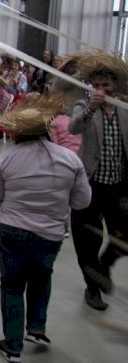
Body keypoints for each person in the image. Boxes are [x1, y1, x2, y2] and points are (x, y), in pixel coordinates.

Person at [0, 94, 91, 363]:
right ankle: (37, 329)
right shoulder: (70, 159)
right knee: (42, 277)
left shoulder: (6, 160)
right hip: (51, 234)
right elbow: (82, 201)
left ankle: (12, 345)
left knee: (11, 285)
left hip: (13, 230)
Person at [68, 52, 128, 311]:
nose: (101, 90)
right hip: (90, 186)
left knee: (124, 237)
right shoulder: (84, 107)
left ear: (116, 86)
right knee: (87, 241)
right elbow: (73, 129)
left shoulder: (125, 110)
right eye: (96, 86)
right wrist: (91, 108)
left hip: (121, 188)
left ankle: (103, 267)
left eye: (106, 85)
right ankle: (92, 289)